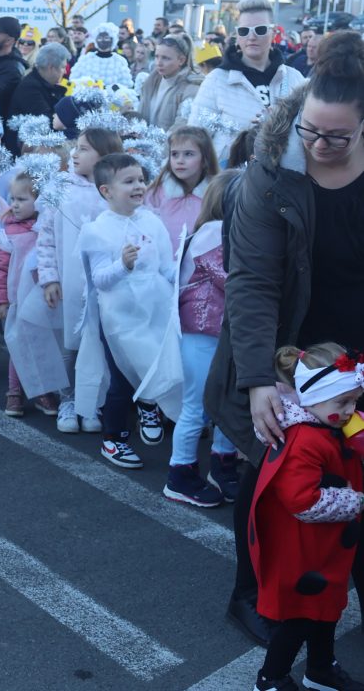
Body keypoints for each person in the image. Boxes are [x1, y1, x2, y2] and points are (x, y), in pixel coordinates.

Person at [206, 31, 364, 646]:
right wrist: (256, 382)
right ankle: (252, 596)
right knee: (272, 466)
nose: (319, 145)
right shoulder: (269, 177)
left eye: (336, 137)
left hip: (357, 345)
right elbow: (251, 284)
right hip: (289, 348)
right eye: (309, 132)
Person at [248, 342, 364, 691]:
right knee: (299, 619)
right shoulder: (303, 440)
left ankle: (319, 669)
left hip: (322, 550)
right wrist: (355, 501)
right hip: (302, 555)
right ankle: (270, 679)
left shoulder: (326, 425)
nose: (350, 411)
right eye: (341, 403)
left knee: (327, 611)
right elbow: (301, 500)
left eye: (354, 401)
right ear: (311, 398)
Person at [78, 153, 177, 469]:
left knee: (160, 359)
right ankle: (114, 437)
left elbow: (165, 266)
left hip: (155, 306)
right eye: (129, 181)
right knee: (121, 376)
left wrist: (188, 269)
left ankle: (150, 405)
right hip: (119, 316)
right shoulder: (96, 231)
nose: (139, 186)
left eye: (140, 180)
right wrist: (123, 265)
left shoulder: (152, 221)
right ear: (106, 191)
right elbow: (100, 280)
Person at [37, 127, 123, 433]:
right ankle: (69, 400)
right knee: (70, 344)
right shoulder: (60, 186)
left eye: (85, 149)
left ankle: (93, 402)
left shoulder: (114, 190)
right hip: (70, 281)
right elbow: (46, 236)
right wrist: (49, 278)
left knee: (102, 342)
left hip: (105, 283)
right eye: (76, 147)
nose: (75, 153)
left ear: (104, 156)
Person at [163, 172, 238, 508]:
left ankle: (223, 465)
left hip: (223, 331)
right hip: (202, 330)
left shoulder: (223, 230)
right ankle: (179, 474)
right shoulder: (212, 231)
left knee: (229, 401)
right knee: (197, 406)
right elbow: (231, 280)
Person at [190, 0, 306, 161]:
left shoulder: (294, 78)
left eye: (260, 30)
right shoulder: (216, 80)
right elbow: (195, 138)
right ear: (237, 35)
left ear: (273, 33)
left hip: (285, 178)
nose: (251, 37)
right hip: (230, 179)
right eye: (244, 31)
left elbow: (308, 132)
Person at [0, 171, 67, 416]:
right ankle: (14, 393)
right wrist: (0, 300)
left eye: (22, 199)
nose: (14, 204)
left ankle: (43, 392)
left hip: (42, 301)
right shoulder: (7, 234)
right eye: (12, 198)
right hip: (15, 301)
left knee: (43, 346)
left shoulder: (45, 229)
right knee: (19, 347)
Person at [145, 125, 219, 251]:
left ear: (205, 159)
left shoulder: (215, 195)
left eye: (188, 154)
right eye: (174, 154)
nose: (180, 161)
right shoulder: (158, 192)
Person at [139, 34, 201, 131]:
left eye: (165, 58)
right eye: (156, 56)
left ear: (181, 60)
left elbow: (181, 126)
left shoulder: (191, 87)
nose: (159, 63)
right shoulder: (151, 81)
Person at [8, 42, 70, 134]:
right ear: (51, 68)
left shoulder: (42, 83)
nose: (65, 72)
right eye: (63, 67)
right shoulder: (30, 89)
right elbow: (50, 123)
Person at [69, 22, 133, 89]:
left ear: (112, 39)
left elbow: (126, 85)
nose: (102, 40)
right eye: (99, 38)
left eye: (106, 38)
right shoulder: (86, 59)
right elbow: (74, 80)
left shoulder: (119, 61)